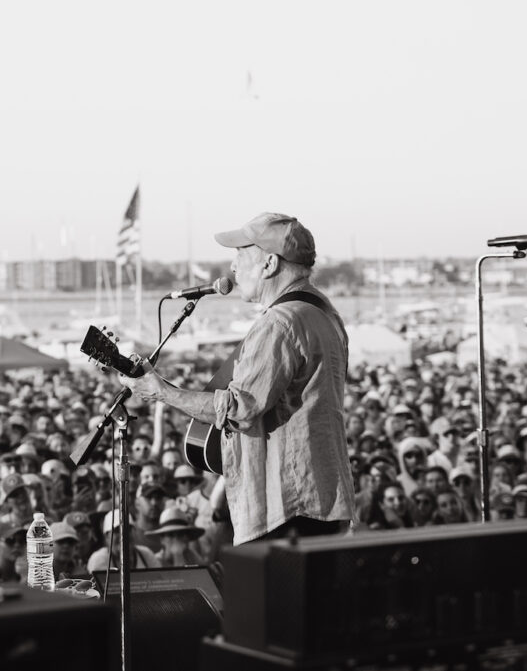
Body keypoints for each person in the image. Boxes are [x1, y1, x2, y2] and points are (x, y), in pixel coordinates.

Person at [118, 212, 354, 543]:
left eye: (241, 255)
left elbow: (239, 410)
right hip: (325, 496)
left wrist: (161, 391)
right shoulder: (325, 314)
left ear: (270, 263)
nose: (233, 267)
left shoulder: (279, 323)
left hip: (285, 505)